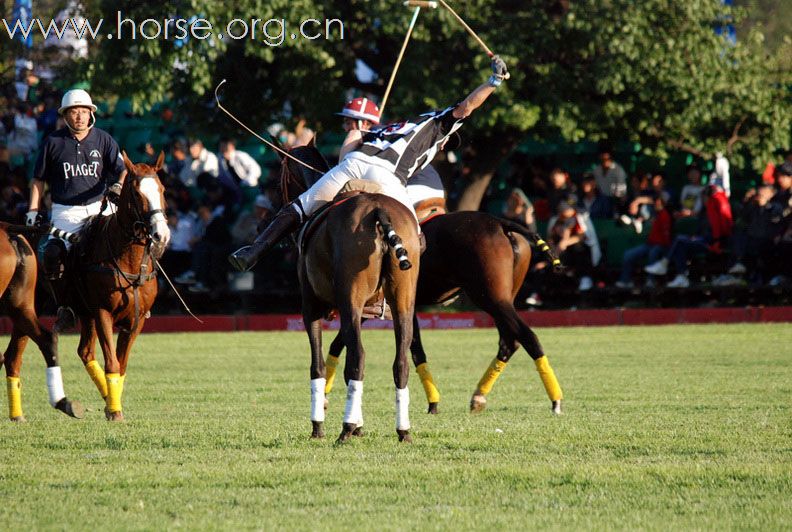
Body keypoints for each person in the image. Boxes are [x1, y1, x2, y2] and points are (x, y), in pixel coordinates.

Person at [229, 56, 510, 272]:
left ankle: (253, 252)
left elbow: (352, 137)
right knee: (415, 236)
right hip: (387, 175)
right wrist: (493, 82)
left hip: (352, 164)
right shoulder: (437, 125)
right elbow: (467, 106)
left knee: (301, 206)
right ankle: (394, 275)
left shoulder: (393, 125)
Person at [26, 88, 126, 331]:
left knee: (126, 246)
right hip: (65, 212)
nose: (79, 116)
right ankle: (66, 307)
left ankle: (132, 299)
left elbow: (123, 169)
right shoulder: (53, 142)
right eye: (74, 112)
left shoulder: (103, 139)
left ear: (91, 113)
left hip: (99, 209)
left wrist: (118, 185)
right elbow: (39, 180)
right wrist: (32, 209)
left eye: (83, 111)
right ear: (65, 115)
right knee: (52, 255)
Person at [645, 184, 733, 288]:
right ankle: (681, 276)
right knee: (680, 245)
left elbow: (715, 231)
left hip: (710, 244)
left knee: (679, 239)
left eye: (703, 197)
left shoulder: (712, 209)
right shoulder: (705, 211)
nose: (702, 200)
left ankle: (665, 263)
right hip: (704, 240)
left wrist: (714, 242)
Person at [615, 195, 673, 288]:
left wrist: (666, 253)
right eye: (656, 202)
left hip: (661, 246)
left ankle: (651, 281)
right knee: (628, 255)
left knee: (653, 253)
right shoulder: (655, 214)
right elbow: (649, 200)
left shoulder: (665, 215)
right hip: (649, 244)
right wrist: (637, 202)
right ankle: (625, 281)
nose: (657, 204)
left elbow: (666, 238)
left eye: (659, 202)